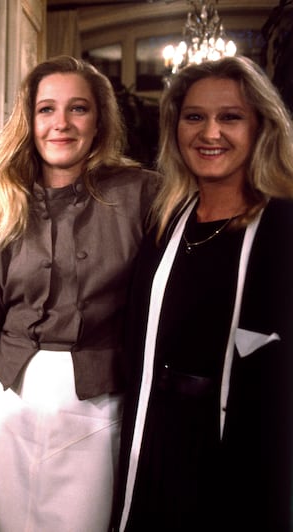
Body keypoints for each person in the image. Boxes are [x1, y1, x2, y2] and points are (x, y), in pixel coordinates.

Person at [0, 55, 158, 531]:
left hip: (98, 409)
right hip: (8, 408)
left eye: (78, 108)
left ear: (99, 118)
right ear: (30, 119)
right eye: (47, 109)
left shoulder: (142, 194)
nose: (60, 123)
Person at [113, 56, 293, 531]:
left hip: (240, 459)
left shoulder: (282, 228)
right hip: (154, 452)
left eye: (230, 117)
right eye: (195, 117)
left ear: (260, 128)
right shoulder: (165, 224)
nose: (210, 132)